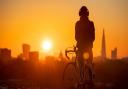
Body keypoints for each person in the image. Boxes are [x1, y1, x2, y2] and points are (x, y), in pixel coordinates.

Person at [75, 6, 95, 80]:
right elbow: (93, 37)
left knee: (81, 66)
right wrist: (89, 43)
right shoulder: (91, 23)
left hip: (81, 48)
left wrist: (81, 42)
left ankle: (81, 80)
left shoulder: (77, 24)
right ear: (87, 13)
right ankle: (91, 79)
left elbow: (76, 37)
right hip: (89, 48)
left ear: (80, 14)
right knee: (89, 64)